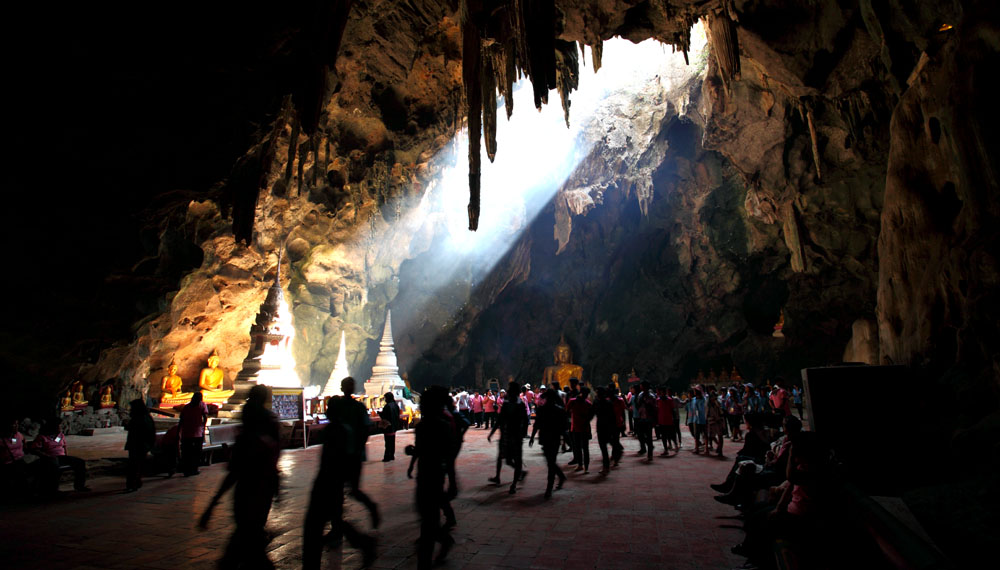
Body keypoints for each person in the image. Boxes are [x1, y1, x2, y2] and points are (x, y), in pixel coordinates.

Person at [200, 385, 282, 570]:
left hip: (249, 491)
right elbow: (272, 460)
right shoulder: (267, 430)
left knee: (245, 538)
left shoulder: (249, 437)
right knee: (249, 537)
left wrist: (212, 504)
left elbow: (235, 471)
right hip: (261, 490)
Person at [303, 378, 378, 569]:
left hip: (332, 476)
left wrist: (352, 462)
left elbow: (349, 447)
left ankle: (359, 540)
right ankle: (358, 541)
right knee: (333, 514)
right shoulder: (339, 427)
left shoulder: (340, 428)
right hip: (335, 475)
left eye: (330, 409)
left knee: (320, 520)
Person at [406, 386, 458, 568]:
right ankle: (443, 540)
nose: (421, 407)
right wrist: (412, 459)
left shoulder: (443, 426)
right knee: (425, 516)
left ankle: (425, 559)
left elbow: (449, 456)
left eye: (424, 404)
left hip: (435, 476)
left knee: (428, 521)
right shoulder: (422, 426)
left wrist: (452, 482)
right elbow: (420, 448)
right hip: (423, 475)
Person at [488, 382, 528, 494]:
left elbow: (525, 421)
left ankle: (514, 484)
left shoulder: (519, 404)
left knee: (514, 460)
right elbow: (500, 419)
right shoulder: (509, 403)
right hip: (507, 435)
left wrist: (522, 434)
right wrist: (492, 432)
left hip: (513, 435)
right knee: (506, 459)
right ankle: (502, 477)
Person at [31, 418, 89, 493]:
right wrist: (45, 455)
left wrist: (66, 456)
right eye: (59, 426)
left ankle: (79, 486)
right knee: (54, 465)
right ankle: (53, 490)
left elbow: (64, 447)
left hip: (61, 457)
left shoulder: (60, 435)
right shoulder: (42, 437)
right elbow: (35, 449)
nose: (61, 427)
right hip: (49, 458)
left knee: (80, 462)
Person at [529, 388, 568, 496]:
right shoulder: (557, 410)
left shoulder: (547, 410)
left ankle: (549, 487)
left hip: (549, 438)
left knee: (551, 462)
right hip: (551, 438)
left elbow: (537, 424)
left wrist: (532, 437)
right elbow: (537, 424)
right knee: (551, 461)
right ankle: (560, 477)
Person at [124, 399, 155, 492]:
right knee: (138, 464)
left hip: (138, 444)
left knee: (134, 465)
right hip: (141, 445)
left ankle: (132, 483)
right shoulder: (146, 417)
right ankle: (136, 482)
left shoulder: (139, 418)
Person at [179, 391, 208, 476]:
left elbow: (181, 419)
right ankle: (194, 469)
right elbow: (205, 417)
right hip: (197, 432)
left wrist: (179, 430)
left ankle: (187, 469)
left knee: (187, 452)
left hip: (188, 432)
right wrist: (203, 426)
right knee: (195, 452)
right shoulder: (202, 405)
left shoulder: (187, 407)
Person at [592, 387, 620, 475]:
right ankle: (607, 465)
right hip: (604, 427)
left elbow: (612, 416)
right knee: (604, 447)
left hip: (604, 427)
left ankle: (607, 465)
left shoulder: (603, 403)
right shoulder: (605, 402)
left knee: (604, 447)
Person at [567, 387, 593, 473]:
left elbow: (567, 411)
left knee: (583, 447)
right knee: (579, 447)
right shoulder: (574, 401)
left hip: (581, 428)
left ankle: (584, 466)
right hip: (578, 428)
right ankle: (581, 465)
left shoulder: (586, 403)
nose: (586, 396)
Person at [635, 381, 657, 462]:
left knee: (649, 436)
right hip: (642, 417)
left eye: (642, 386)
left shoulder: (651, 396)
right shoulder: (640, 395)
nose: (641, 388)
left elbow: (654, 407)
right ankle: (648, 446)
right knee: (640, 434)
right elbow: (638, 404)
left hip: (649, 418)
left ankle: (650, 454)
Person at [379, 392, 402, 462]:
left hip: (388, 426)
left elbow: (384, 416)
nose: (385, 400)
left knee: (388, 442)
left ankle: (387, 457)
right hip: (394, 426)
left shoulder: (387, 406)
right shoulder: (395, 405)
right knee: (392, 442)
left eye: (385, 398)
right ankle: (392, 455)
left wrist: (380, 414)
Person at [655, 386, 675, 456]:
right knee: (663, 436)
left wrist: (673, 419)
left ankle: (674, 444)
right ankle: (666, 449)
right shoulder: (658, 400)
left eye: (664, 392)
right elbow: (657, 411)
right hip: (661, 420)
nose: (662, 393)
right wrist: (657, 421)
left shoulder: (669, 400)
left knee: (670, 434)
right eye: (661, 392)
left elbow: (672, 410)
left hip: (669, 420)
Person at [706, 387, 726, 457]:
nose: (713, 398)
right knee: (711, 436)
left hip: (718, 421)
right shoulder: (708, 404)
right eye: (712, 396)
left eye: (714, 396)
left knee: (720, 436)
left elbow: (721, 412)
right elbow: (706, 413)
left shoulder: (718, 403)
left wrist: (717, 404)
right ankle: (718, 445)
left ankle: (720, 450)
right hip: (711, 421)